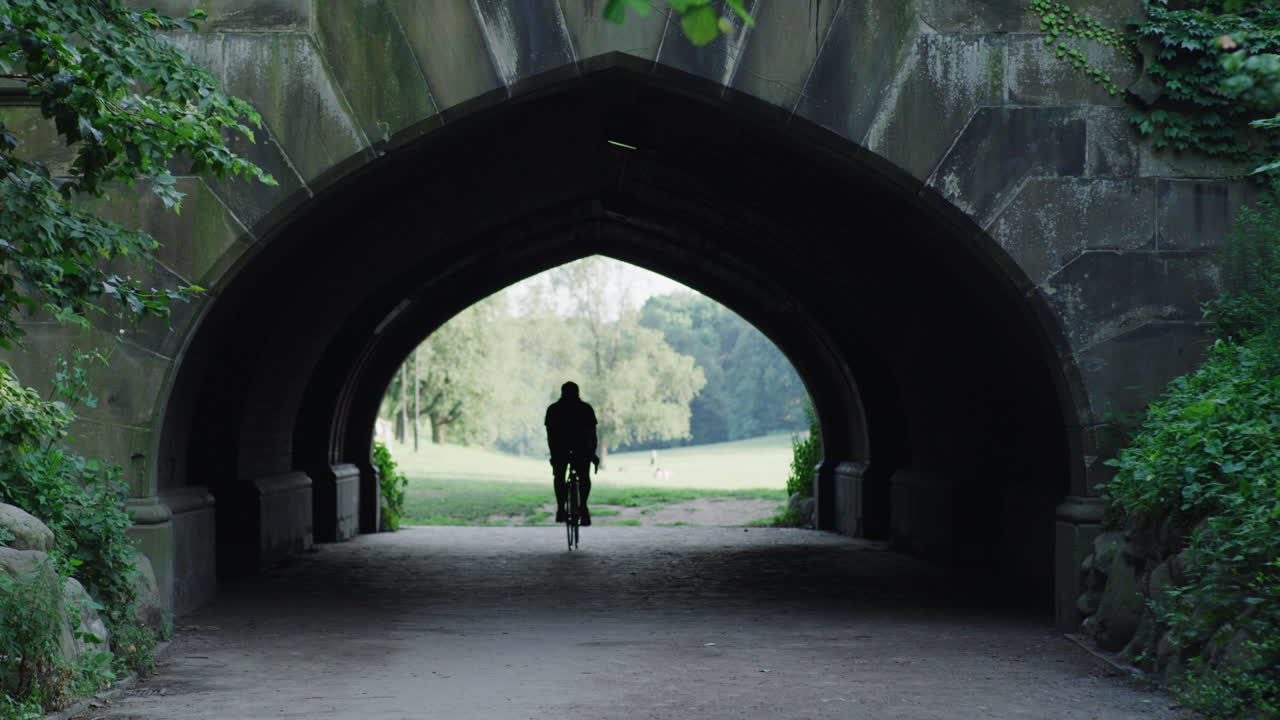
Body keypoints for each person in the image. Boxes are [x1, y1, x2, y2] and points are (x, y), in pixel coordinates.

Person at [544, 381, 599, 526]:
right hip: (582, 450)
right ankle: (583, 507)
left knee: (559, 478)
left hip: (561, 450)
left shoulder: (553, 409)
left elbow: (551, 436)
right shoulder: (586, 409)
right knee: (584, 478)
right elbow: (593, 435)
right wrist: (592, 453)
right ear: (578, 393)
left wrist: (554, 456)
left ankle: (561, 508)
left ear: (562, 393)